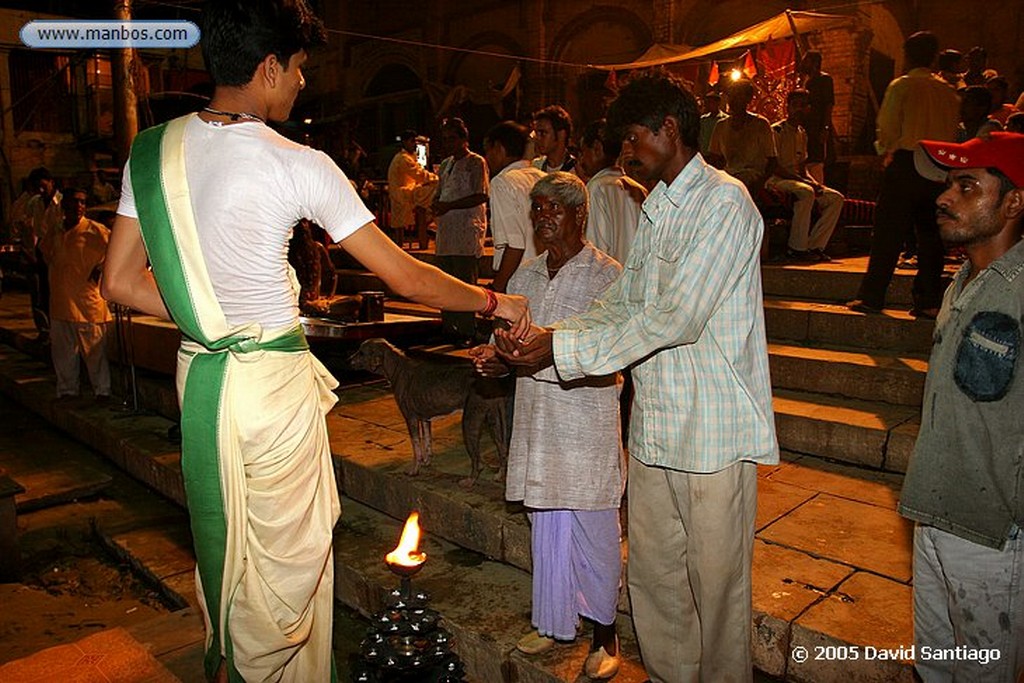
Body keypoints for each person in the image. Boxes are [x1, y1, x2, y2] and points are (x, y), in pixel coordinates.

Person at [101, 2, 529, 681]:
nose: (303, 84)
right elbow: (405, 274)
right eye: (299, 69)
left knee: (235, 559)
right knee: (283, 580)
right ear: (269, 67)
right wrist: (496, 300)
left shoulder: (150, 152)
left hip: (204, 384)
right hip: (269, 394)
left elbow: (119, 283)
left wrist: (212, 314)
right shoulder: (296, 161)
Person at [490, 73, 779, 683]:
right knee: (656, 580)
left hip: (711, 434)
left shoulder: (724, 204)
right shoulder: (658, 209)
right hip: (655, 431)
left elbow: (675, 315)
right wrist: (554, 337)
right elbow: (626, 301)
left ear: (668, 131)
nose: (626, 153)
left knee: (716, 588)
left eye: (633, 139)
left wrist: (561, 353)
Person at [472, 172, 624, 680]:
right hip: (537, 418)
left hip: (586, 420)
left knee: (594, 526)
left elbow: (612, 355)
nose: (541, 218)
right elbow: (510, 344)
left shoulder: (608, 276)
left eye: (552, 209)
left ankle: (606, 633)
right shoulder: (525, 279)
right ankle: (556, 620)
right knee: (546, 524)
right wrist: (497, 360)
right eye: (536, 209)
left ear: (580, 215)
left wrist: (542, 355)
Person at [899, 132, 1024, 683]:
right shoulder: (963, 281)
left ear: (1014, 203)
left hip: (991, 537)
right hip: (933, 515)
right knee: (937, 668)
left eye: (967, 184)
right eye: (950, 183)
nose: (945, 197)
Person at [847, 31, 960, 319]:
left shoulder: (903, 85)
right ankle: (928, 299)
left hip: (907, 161)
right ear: (934, 57)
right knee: (931, 234)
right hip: (938, 165)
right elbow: (953, 133)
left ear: (908, 55)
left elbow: (887, 127)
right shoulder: (948, 92)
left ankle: (872, 296)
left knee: (888, 233)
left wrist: (885, 152)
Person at [39, 188, 112, 400]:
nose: (78, 206)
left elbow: (116, 253)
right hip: (61, 303)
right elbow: (45, 254)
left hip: (87, 303)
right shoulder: (56, 230)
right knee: (63, 353)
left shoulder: (96, 231)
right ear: (64, 206)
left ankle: (102, 391)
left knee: (94, 353)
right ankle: (67, 390)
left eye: (82, 202)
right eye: (74, 202)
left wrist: (100, 268)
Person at [766, 89, 844, 262]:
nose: (799, 110)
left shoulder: (802, 134)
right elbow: (774, 166)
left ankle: (815, 246)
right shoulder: (776, 131)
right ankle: (796, 248)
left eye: (803, 106)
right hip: (776, 180)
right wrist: (804, 182)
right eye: (795, 106)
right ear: (788, 107)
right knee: (806, 192)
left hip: (797, 180)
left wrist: (815, 183)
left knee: (836, 198)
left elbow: (802, 167)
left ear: (808, 109)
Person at [432, 117, 490, 344]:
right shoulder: (446, 164)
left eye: (452, 139)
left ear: (464, 139)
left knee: (465, 282)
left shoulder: (476, 162)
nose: (448, 144)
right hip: (446, 231)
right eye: (445, 140)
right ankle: (449, 328)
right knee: (444, 281)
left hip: (466, 230)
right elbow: (440, 191)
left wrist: (450, 205)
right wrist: (437, 202)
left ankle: (466, 329)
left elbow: (481, 194)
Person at [483, 120, 546, 292]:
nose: (487, 158)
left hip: (520, 280)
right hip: (545, 276)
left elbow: (516, 244)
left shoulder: (502, 182)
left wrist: (497, 288)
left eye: (488, 151)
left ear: (499, 148)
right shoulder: (542, 177)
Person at [578, 119, 645, 265]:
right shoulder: (638, 189)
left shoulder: (596, 188)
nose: (582, 160)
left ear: (596, 148)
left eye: (583, 152)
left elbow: (596, 251)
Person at [707, 78, 777, 195]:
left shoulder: (760, 124)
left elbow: (772, 161)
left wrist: (761, 182)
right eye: (731, 95)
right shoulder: (721, 125)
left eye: (738, 95)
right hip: (729, 175)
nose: (733, 100)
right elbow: (714, 158)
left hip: (752, 176)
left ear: (748, 99)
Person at [386, 129, 438, 247]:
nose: (414, 144)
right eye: (412, 141)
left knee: (432, 188)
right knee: (434, 188)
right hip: (403, 194)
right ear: (404, 142)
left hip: (407, 192)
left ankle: (431, 219)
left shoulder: (407, 157)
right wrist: (437, 178)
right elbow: (420, 175)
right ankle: (431, 220)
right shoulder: (403, 158)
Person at [797, 50, 835, 184]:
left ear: (814, 63)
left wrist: (825, 128)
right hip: (807, 127)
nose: (803, 63)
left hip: (818, 127)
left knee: (816, 163)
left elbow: (828, 104)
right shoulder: (807, 82)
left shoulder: (825, 79)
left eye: (806, 61)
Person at [532, 105, 576, 174]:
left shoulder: (576, 170)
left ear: (561, 134)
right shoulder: (535, 166)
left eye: (543, 133)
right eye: (536, 133)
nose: (537, 138)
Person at [697, 91, 727, 158]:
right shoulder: (703, 120)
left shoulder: (725, 120)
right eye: (707, 102)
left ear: (718, 103)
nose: (708, 105)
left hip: (719, 156)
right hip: (705, 155)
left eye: (711, 102)